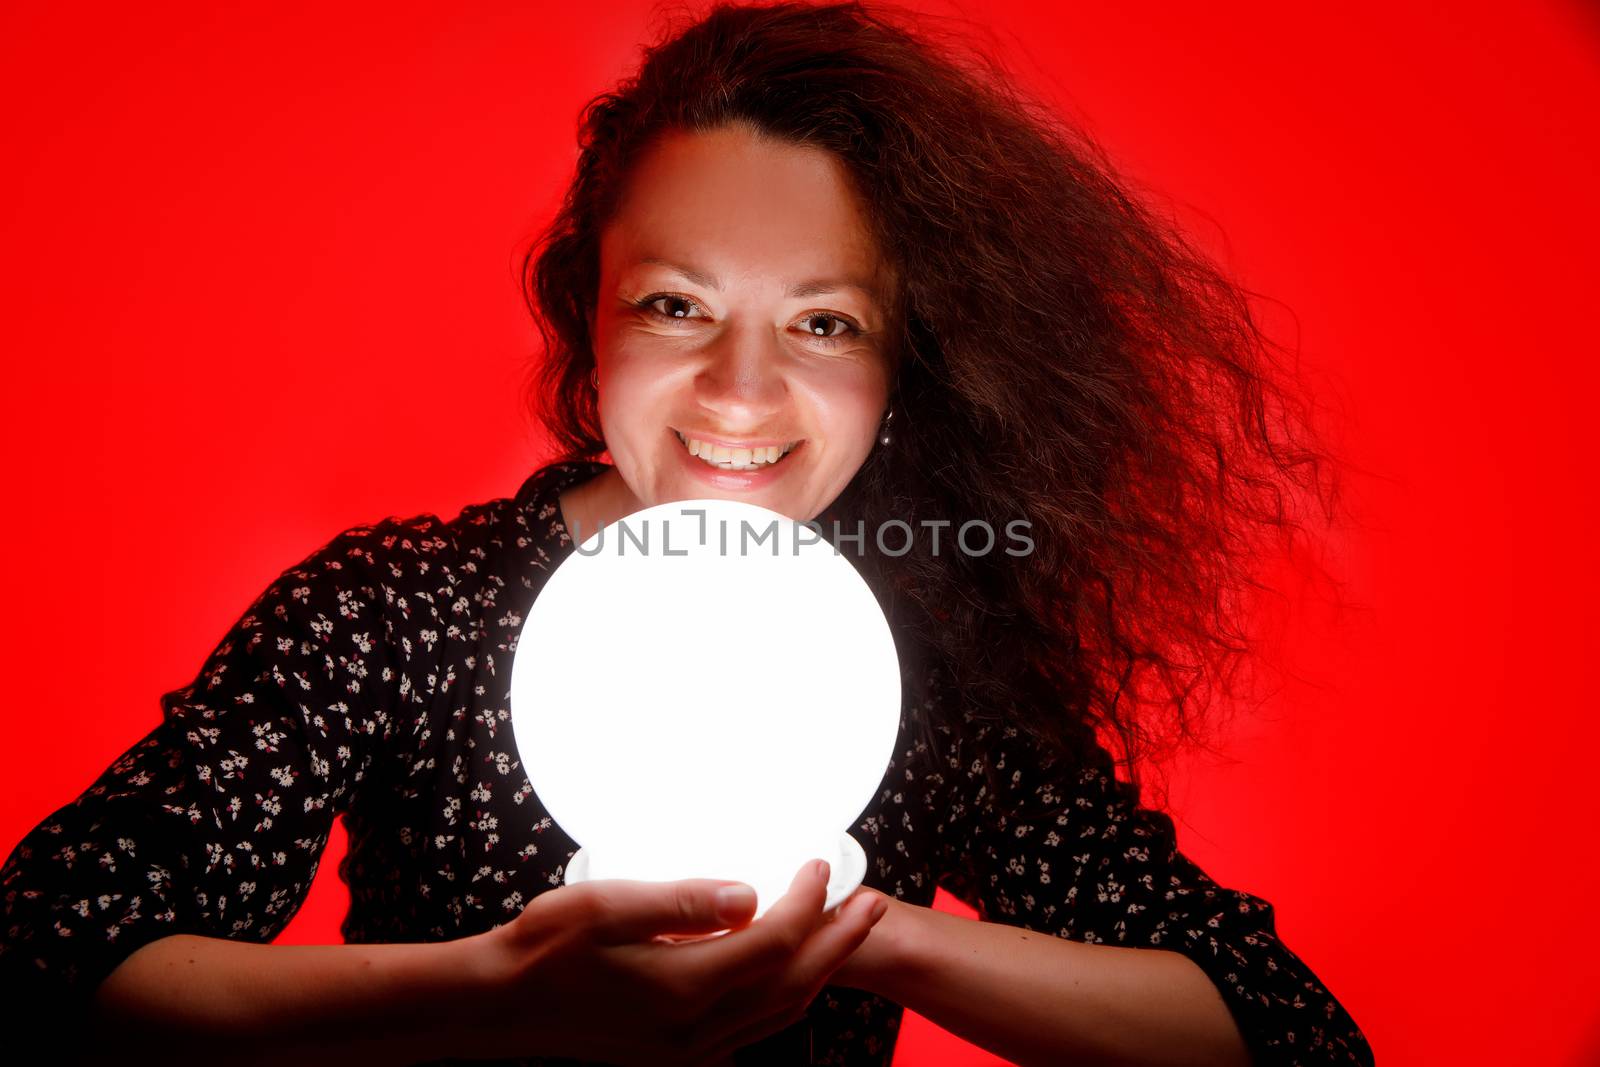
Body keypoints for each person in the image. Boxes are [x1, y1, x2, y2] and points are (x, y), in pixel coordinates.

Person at [0, 2, 1376, 1065]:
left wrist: (870, 940)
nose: (739, 390)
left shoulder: (914, 672)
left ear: (909, 367)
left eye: (825, 323)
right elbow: (47, 959)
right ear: (585, 317)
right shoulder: (397, 612)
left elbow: (1281, 1033)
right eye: (675, 305)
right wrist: (493, 997)